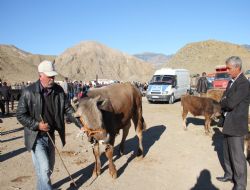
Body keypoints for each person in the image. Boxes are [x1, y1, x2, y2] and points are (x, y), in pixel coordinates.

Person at [16, 60, 82, 190]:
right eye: (49, 76)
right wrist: (37, 125)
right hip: (35, 137)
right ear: (40, 75)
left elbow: (68, 109)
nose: (52, 79)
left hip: (50, 135)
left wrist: (81, 125)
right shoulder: (28, 92)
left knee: (49, 169)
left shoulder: (58, 91)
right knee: (45, 169)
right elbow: (20, 115)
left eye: (53, 76)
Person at [216, 56, 250, 190]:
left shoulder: (244, 84)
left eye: (229, 68)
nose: (227, 71)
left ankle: (240, 185)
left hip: (236, 125)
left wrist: (224, 101)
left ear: (237, 68)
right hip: (228, 123)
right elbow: (223, 99)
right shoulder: (232, 82)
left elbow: (229, 102)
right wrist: (224, 101)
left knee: (237, 157)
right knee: (227, 153)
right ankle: (229, 174)